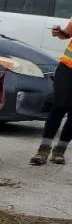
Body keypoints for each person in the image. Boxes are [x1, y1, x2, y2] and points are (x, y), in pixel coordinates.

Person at [32, 19, 72, 165]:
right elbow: (66, 35)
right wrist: (59, 32)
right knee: (60, 106)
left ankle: (60, 151)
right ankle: (43, 150)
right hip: (67, 68)